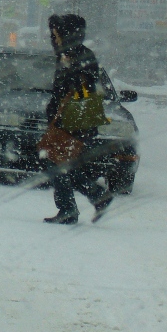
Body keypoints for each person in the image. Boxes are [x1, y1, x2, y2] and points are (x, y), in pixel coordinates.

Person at [42, 13, 114, 225]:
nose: (53, 39)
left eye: (57, 34)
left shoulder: (75, 56)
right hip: (76, 119)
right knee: (61, 163)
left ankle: (70, 209)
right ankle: (95, 197)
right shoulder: (74, 53)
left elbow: (79, 89)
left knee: (55, 162)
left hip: (74, 119)